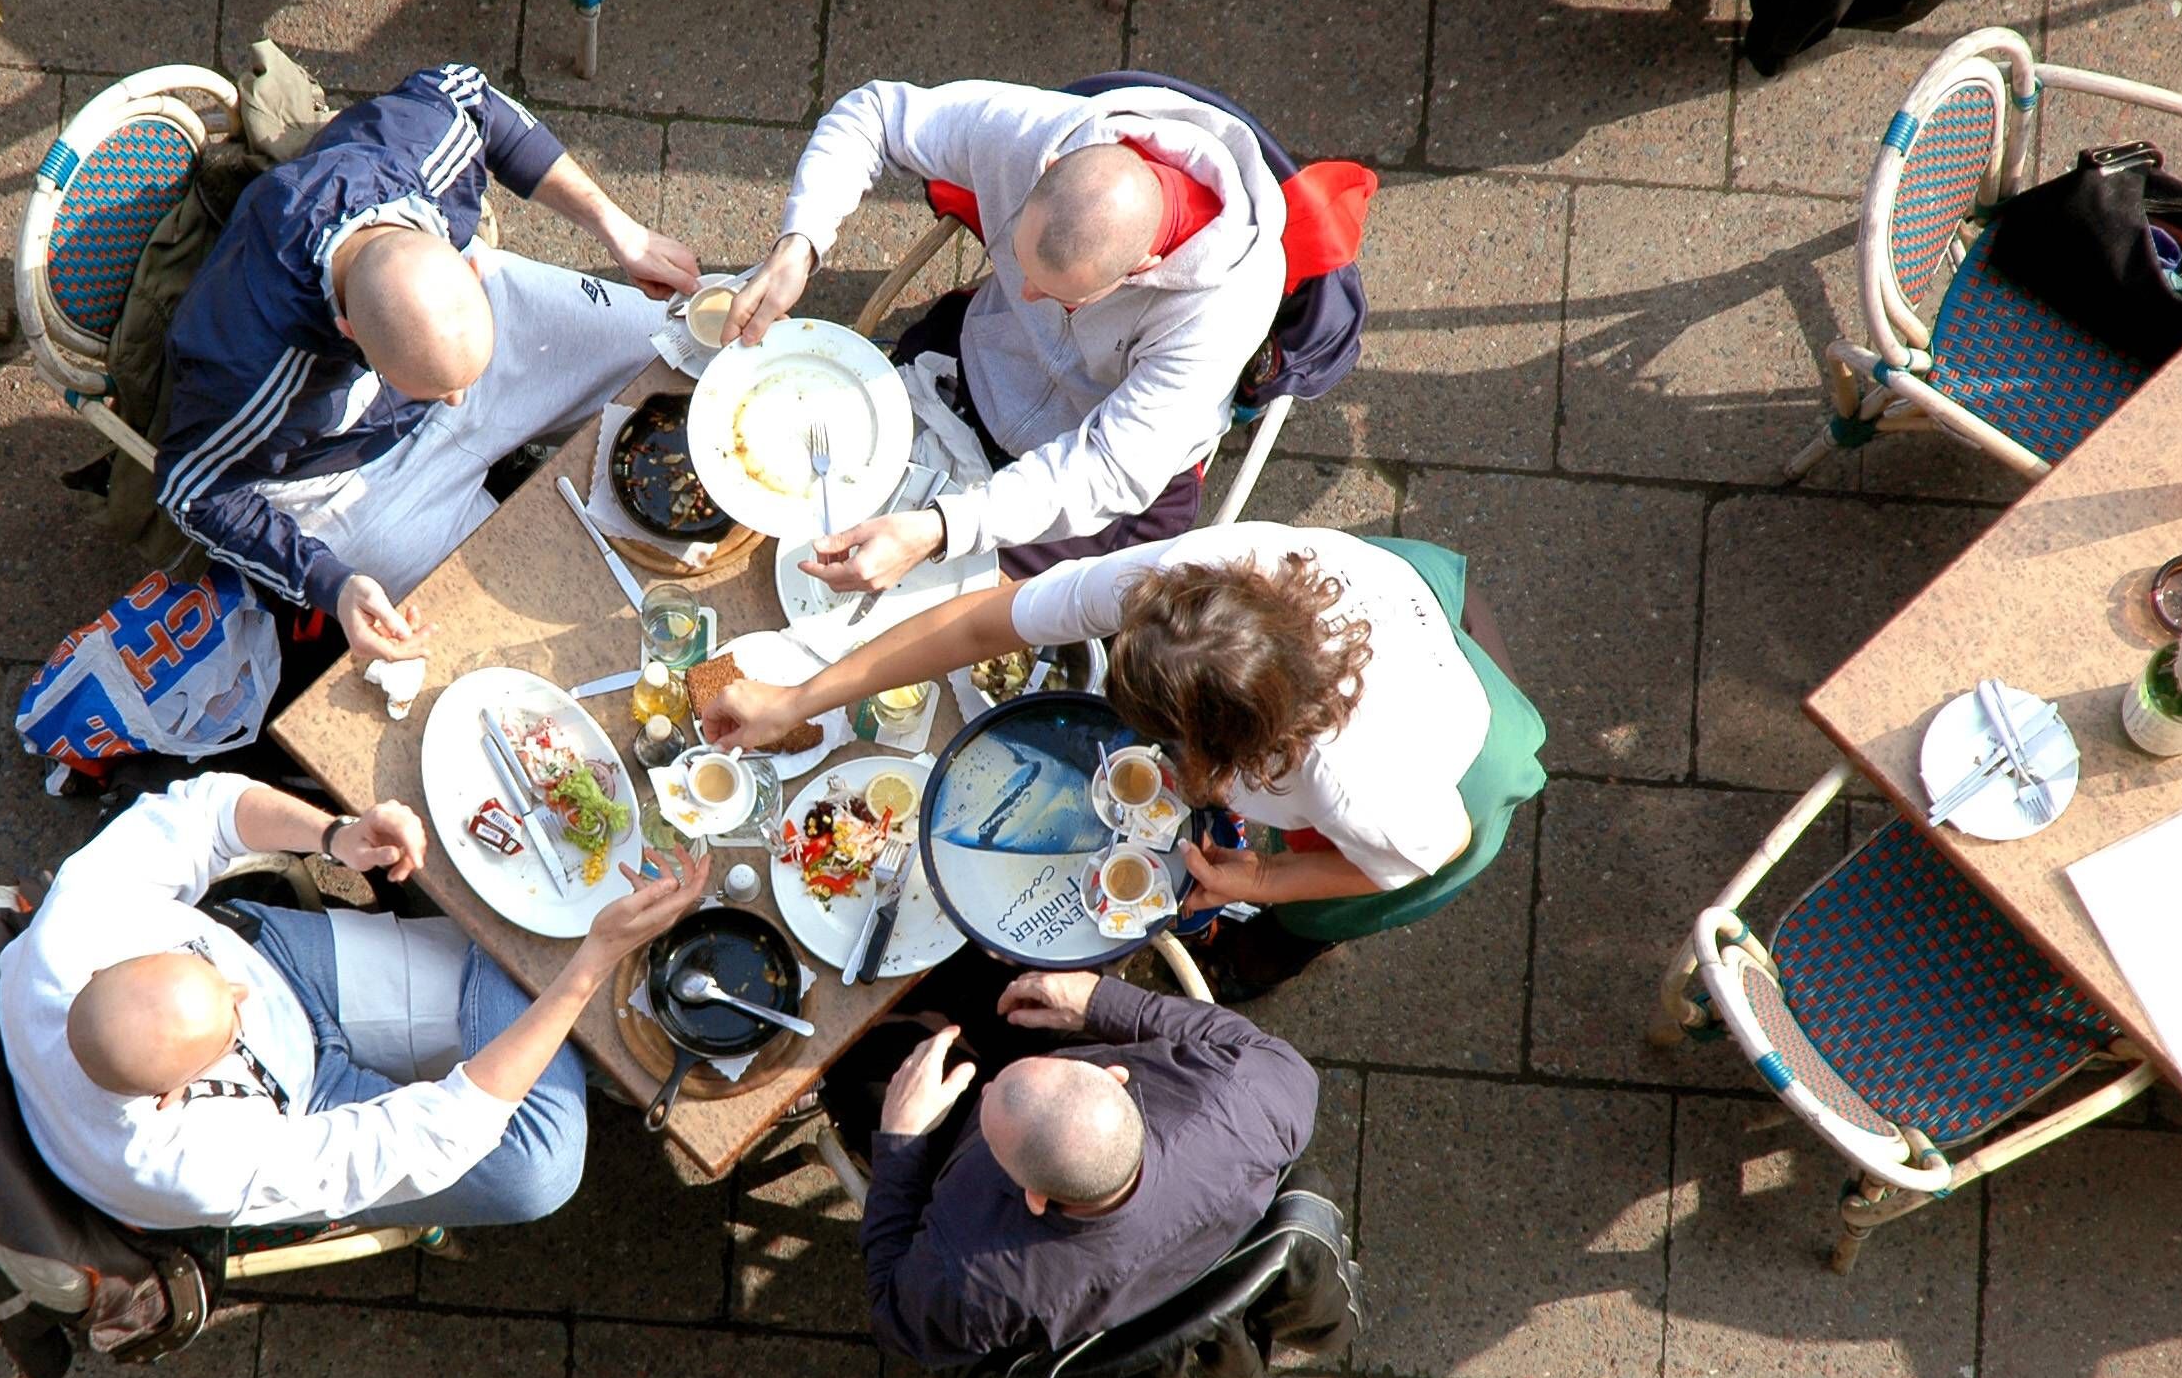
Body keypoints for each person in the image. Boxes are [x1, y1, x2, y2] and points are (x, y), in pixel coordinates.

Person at [699, 521, 1547, 991]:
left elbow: (1434, 848)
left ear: (1233, 750)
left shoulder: (1356, 788)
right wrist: (796, 702)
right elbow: (980, 624)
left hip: (1454, 767)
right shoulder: (1184, 587)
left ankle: (1279, 946)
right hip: (1378, 602)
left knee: (1322, 904)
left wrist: (1259, 883)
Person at [0, 770, 710, 1232]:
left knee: (526, 953)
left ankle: (587, 1004)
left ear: (105, 967)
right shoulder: (194, 1163)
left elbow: (204, 810)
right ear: (169, 1097)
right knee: (538, 1169)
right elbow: (439, 1133)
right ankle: (604, 991)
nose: (241, 992)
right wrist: (587, 965)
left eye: (202, 967)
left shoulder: (81, 921)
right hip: (303, 1103)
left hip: (284, 959)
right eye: (229, 1021)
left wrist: (333, 837)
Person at [160, 62, 700, 664]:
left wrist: (617, 229)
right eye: (437, 388)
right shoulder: (248, 368)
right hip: (364, 478)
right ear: (348, 335)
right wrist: (331, 587)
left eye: (457, 383)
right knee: (504, 645)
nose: (456, 402)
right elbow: (194, 490)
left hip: (486, 326)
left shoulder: (418, 149)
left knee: (693, 348)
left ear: (461, 259)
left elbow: (474, 96)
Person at [720, 76, 1292, 587]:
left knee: (963, 635)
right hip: (971, 365)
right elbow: (872, 114)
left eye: (1061, 297)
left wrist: (943, 528)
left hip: (1093, 474)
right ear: (1047, 169)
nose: (1025, 297)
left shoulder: (1224, 306)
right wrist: (799, 244)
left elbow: (1110, 469)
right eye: (1021, 263)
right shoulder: (1032, 137)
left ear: (1142, 267)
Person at [843, 953, 1320, 1367]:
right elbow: (1260, 1051)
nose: (987, 1085)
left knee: (856, 1066)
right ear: (1113, 1077)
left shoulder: (973, 1282)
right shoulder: (1252, 1101)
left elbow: (892, 1314)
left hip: (941, 1163)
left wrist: (899, 1144)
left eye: (987, 1096)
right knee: (975, 976)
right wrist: (1096, 1001)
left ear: (1034, 1198)